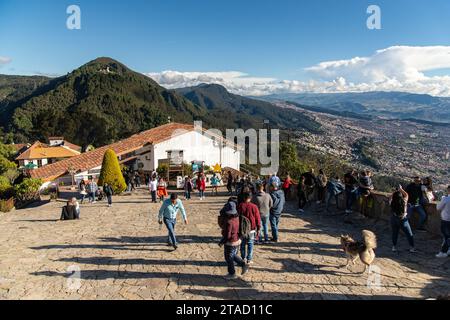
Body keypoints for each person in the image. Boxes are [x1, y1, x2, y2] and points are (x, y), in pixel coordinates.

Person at [218, 197, 249, 279]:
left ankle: (232, 273)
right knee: (232, 255)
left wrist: (222, 241)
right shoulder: (237, 217)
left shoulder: (229, 222)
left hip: (230, 241)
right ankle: (243, 264)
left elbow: (227, 235)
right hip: (237, 239)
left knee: (228, 258)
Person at [390, 185, 416, 253]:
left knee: (395, 233)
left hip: (394, 218)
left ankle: (394, 247)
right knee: (409, 234)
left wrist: (395, 192)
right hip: (402, 219)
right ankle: (412, 248)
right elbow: (406, 194)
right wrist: (401, 189)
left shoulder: (392, 202)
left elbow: (391, 197)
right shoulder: (404, 201)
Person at [238, 193, 261, 264]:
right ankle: (249, 259)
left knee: (242, 244)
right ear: (250, 198)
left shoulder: (240, 206)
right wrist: (258, 227)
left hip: (242, 229)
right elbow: (257, 218)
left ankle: (243, 258)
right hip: (251, 229)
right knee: (250, 244)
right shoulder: (254, 207)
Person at [436, 185, 450, 258]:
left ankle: (443, 252)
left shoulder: (446, 199)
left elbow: (438, 208)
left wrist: (441, 199)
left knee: (446, 237)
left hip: (446, 220)